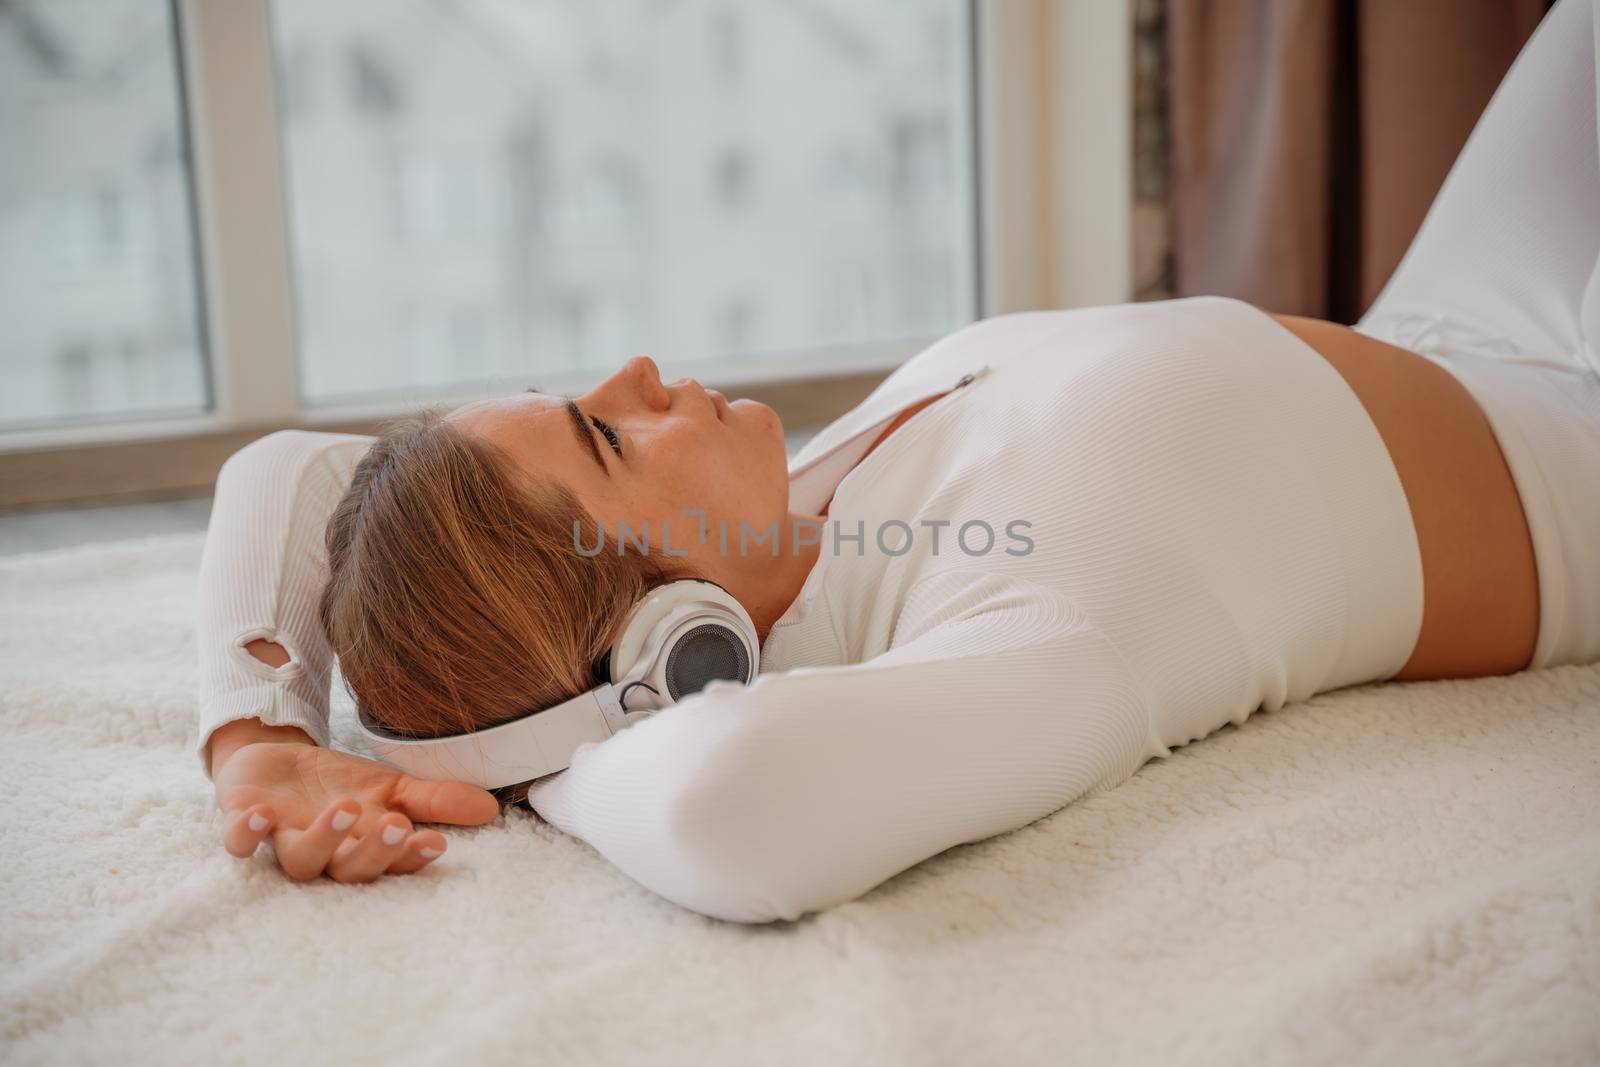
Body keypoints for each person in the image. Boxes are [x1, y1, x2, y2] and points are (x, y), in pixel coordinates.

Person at [199, 0, 1600, 922]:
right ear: (668, 648)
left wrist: (259, 743)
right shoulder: (1023, 627)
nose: (630, 372)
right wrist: (541, 757)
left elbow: (296, 471)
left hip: (1460, 319)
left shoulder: (806, 526)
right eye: (606, 436)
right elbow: (736, 810)